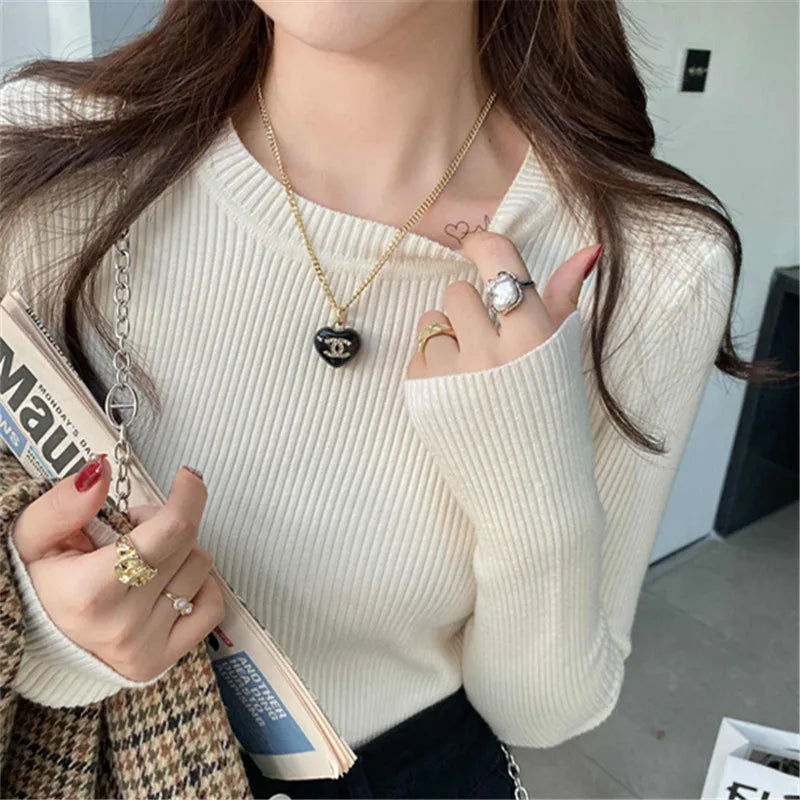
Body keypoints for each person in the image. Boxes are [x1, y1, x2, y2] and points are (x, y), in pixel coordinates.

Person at [0, 0, 786, 797]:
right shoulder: (40, 154)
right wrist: (48, 640)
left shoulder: (651, 260)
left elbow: (543, 712)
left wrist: (531, 484)